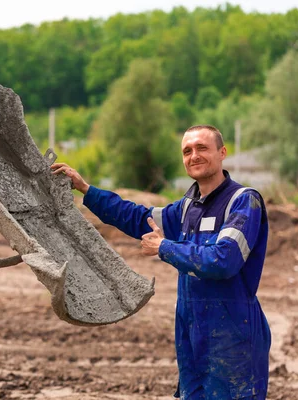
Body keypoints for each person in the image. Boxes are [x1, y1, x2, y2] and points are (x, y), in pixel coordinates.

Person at [51, 125, 271, 400]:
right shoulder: (187, 208)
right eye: (187, 151)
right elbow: (136, 217)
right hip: (192, 335)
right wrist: (86, 189)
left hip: (233, 338)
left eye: (202, 148)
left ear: (222, 152)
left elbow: (223, 260)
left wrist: (164, 247)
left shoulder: (243, 201)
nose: (194, 156)